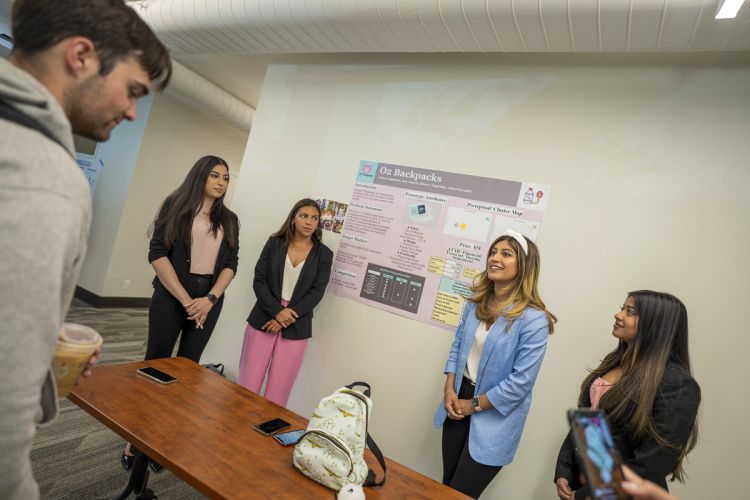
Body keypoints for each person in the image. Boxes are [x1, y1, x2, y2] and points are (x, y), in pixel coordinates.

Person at [0, 1, 171, 498]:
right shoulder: (45, 178)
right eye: (133, 90)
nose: (132, 111)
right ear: (80, 55)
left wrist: (42, 337)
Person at [122, 155, 239, 470]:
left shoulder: (229, 219)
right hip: (172, 295)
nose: (220, 182)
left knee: (186, 371)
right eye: (214, 175)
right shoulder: (175, 206)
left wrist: (209, 299)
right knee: (155, 364)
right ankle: (135, 437)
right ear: (200, 176)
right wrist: (187, 299)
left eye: (225, 178)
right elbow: (157, 254)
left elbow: (231, 264)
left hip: (209, 301)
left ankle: (160, 440)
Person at [433, 230, 557, 498]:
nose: (495, 258)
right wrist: (449, 391)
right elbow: (457, 348)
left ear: (524, 266)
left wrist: (473, 405)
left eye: (506, 253)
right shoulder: (476, 301)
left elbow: (520, 383)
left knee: (461, 493)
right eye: (493, 252)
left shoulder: (534, 320)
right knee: (445, 488)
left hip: (494, 414)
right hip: (458, 400)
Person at [554, 291, 701, 500]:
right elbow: (586, 420)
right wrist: (565, 471)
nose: (618, 315)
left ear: (654, 325)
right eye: (622, 308)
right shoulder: (613, 362)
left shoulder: (677, 385)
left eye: (629, 312)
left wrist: (587, 495)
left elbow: (650, 465)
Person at [238, 198, 333, 407]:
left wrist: (284, 317)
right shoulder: (274, 243)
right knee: (247, 386)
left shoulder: (324, 254)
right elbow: (259, 280)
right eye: (304, 216)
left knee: (278, 391)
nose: (309, 222)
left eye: (314, 218)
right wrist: (276, 312)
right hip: (264, 317)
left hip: (296, 324)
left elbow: (317, 293)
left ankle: (265, 434)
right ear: (293, 219)